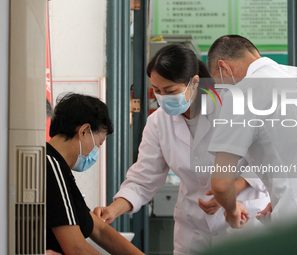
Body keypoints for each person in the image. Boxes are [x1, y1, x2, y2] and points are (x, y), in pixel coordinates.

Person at [94, 44, 270, 255]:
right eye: (157, 91)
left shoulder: (231, 107)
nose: (162, 98)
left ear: (194, 82)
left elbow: (267, 160)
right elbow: (144, 178)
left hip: (243, 218)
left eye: (170, 91)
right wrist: (113, 210)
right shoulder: (158, 122)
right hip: (194, 229)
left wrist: (231, 189)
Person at [207, 35, 297, 228]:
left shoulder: (242, 94)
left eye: (222, 85)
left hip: (296, 222)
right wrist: (278, 197)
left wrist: (232, 213)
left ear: (224, 67)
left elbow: (221, 185)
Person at [46, 93, 143, 254]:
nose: (96, 150)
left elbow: (99, 230)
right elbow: (76, 248)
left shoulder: (61, 171)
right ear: (84, 131)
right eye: (99, 143)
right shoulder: (51, 166)